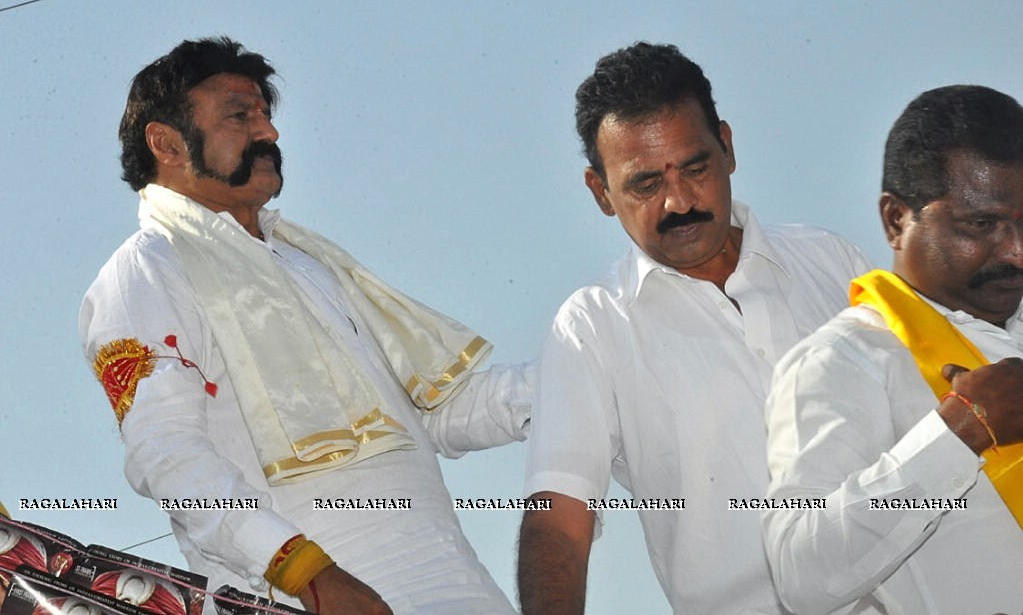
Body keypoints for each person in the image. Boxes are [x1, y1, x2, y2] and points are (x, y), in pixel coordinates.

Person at [79, 37, 532, 615]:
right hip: (300, 593)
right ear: (166, 143)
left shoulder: (307, 262)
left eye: (266, 116)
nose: (268, 133)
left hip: (451, 580)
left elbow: (436, 413)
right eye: (240, 116)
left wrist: (588, 377)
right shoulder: (145, 270)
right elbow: (166, 454)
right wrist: (311, 575)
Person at [516, 42, 871, 613]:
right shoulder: (593, 328)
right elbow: (560, 518)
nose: (679, 200)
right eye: (645, 184)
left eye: (695, 168)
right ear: (600, 193)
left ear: (727, 147)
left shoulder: (834, 264)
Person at [763, 85, 1023, 613]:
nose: (1016, 250)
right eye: (981, 224)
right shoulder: (843, 361)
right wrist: (962, 430)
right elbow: (802, 573)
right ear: (895, 219)